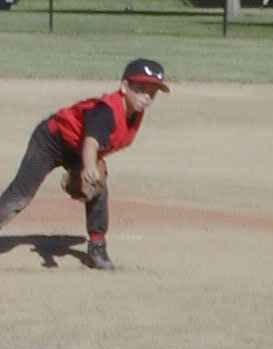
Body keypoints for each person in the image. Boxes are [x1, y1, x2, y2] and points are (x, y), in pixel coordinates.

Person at [0, 58, 171, 270]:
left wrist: (86, 170)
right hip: (51, 141)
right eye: (141, 89)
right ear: (124, 86)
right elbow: (91, 141)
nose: (146, 96)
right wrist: (89, 166)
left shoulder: (134, 114)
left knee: (98, 188)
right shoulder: (106, 111)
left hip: (77, 148)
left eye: (152, 93)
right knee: (21, 195)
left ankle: (97, 246)